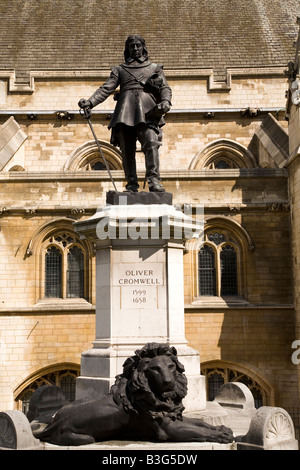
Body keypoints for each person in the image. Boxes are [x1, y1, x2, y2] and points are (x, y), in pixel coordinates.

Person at [78, 35, 172, 192]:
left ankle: (154, 180)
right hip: (125, 111)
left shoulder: (154, 68)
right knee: (127, 150)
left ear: (143, 47)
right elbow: (106, 89)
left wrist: (166, 102)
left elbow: (165, 88)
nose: (135, 49)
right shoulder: (120, 70)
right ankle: (131, 184)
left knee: (151, 143)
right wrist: (90, 102)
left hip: (148, 111)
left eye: (138, 46)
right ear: (127, 50)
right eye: (131, 46)